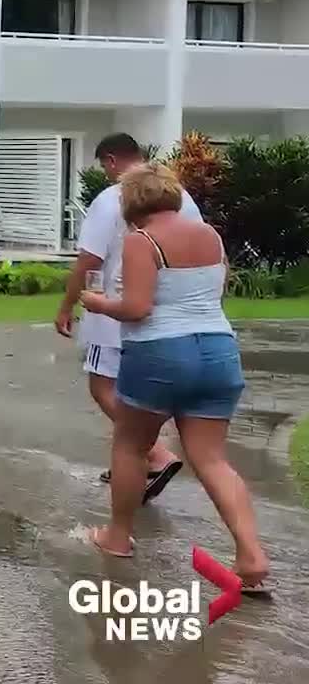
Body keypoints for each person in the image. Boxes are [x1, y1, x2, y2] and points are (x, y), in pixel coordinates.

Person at [79, 162, 268, 590]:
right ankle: (251, 555)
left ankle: (117, 537)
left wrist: (99, 303)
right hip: (219, 350)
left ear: (131, 203)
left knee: (131, 445)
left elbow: (138, 308)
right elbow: (210, 296)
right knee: (213, 459)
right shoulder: (211, 236)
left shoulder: (141, 241)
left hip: (161, 353)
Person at [56, 133, 201, 502]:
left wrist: (66, 305)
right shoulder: (182, 198)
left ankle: (152, 454)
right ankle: (133, 462)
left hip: (117, 310)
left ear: (110, 161)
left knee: (103, 388)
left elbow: (90, 259)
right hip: (170, 315)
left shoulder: (111, 199)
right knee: (139, 395)